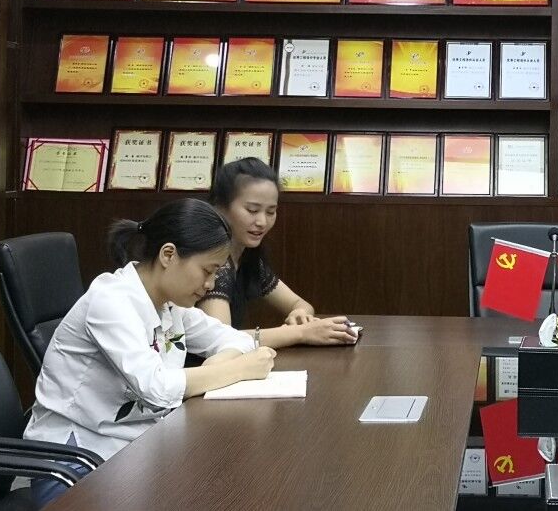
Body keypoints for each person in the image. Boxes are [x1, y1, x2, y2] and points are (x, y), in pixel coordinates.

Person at [24, 199, 276, 507]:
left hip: (134, 453)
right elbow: (156, 388)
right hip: (77, 465)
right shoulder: (111, 301)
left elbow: (236, 339)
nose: (210, 285)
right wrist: (236, 370)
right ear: (168, 254)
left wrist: (217, 366)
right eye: (207, 271)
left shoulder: (169, 305)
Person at [199, 158, 356, 347]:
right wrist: (300, 333)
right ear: (220, 207)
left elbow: (300, 304)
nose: (262, 222)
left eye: (270, 212)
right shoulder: (212, 262)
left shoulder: (247, 257)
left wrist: (300, 315)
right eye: (252, 210)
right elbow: (220, 339)